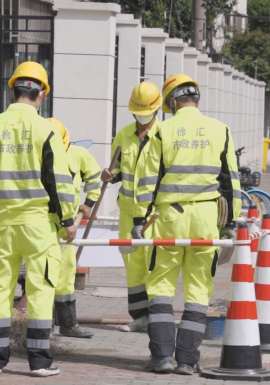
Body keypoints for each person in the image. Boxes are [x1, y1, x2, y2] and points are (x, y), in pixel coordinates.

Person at [0, 61, 77, 377]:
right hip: (38, 225)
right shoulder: (48, 130)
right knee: (41, 289)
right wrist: (68, 219)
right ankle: (40, 362)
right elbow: (59, 180)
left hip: (1, 225)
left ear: (13, 88)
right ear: (41, 92)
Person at [133, 73, 241, 375]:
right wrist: (230, 222)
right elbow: (231, 180)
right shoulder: (221, 130)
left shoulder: (162, 130)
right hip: (207, 219)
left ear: (171, 101)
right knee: (198, 289)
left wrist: (139, 220)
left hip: (168, 220)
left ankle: (162, 357)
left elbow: (146, 182)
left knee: (160, 287)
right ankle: (187, 360)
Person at [100, 82, 162, 332]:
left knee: (155, 265)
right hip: (127, 212)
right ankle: (140, 317)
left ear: (156, 110)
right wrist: (109, 175)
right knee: (133, 267)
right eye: (138, 112)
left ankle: (158, 318)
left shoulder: (164, 136)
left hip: (155, 213)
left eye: (146, 113)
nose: (142, 117)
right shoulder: (124, 135)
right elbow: (120, 171)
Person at [48, 118, 101, 338]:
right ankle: (43, 325)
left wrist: (88, 204)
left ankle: (68, 324)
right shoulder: (40, 153)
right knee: (42, 274)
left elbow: (94, 177)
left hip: (67, 225)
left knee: (66, 273)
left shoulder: (78, 154)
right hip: (43, 224)